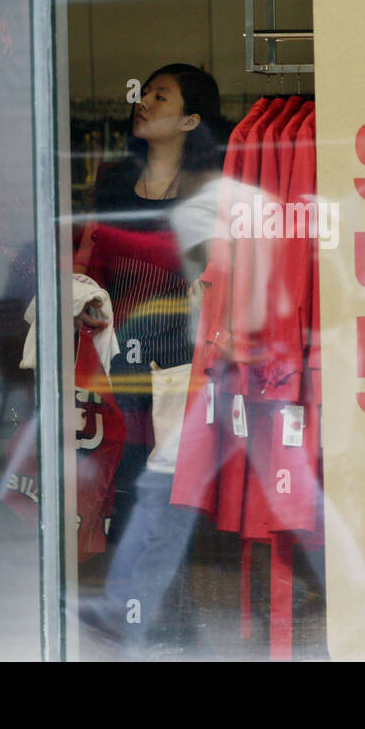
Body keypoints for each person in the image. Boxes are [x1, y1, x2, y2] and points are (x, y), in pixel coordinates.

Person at [73, 63, 223, 651]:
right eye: (145, 92)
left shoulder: (209, 186)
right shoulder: (113, 182)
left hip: (183, 364)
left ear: (190, 119)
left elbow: (225, 269)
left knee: (167, 491)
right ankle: (142, 610)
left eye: (161, 97)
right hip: (123, 362)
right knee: (128, 484)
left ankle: (164, 615)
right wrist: (86, 298)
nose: (144, 101)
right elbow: (95, 258)